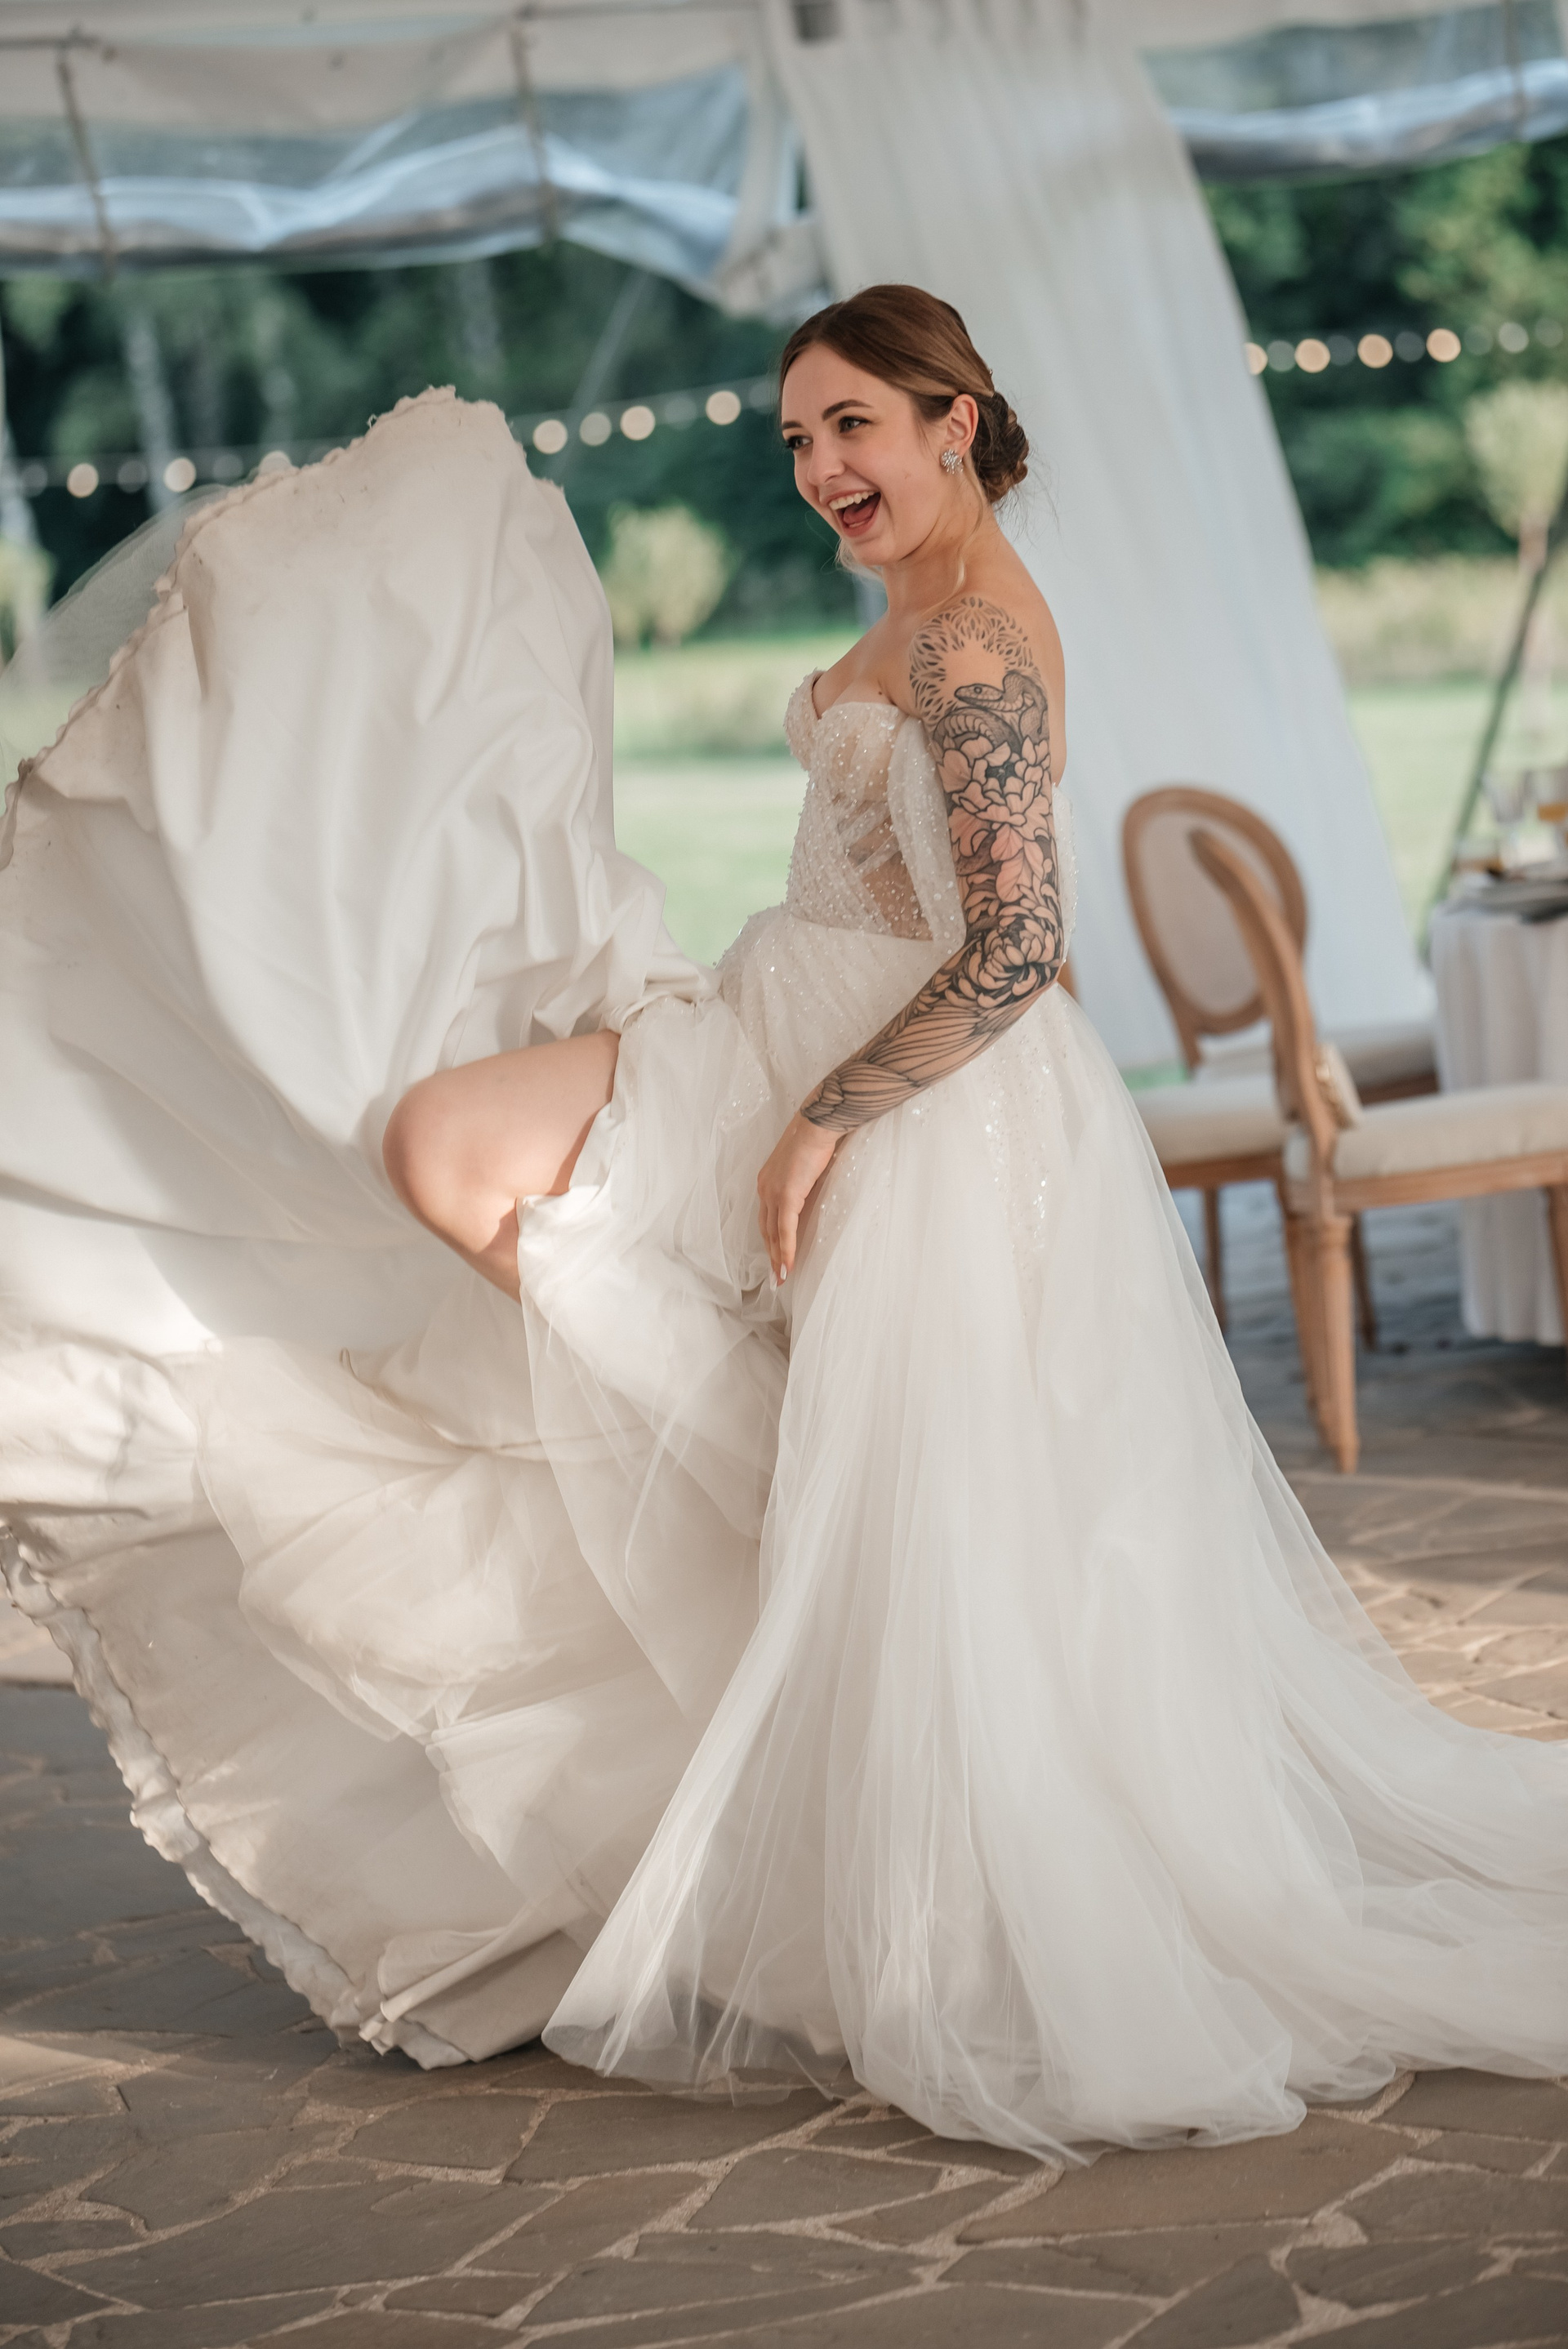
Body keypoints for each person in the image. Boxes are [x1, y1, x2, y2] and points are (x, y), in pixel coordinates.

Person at [1, 287, 1564, 2164]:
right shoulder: (917, 610)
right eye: (800, 438)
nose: (822, 467)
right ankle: (711, 1443)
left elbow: (1019, 950)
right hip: (781, 1037)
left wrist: (829, 1117)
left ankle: (735, 1489)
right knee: (444, 1147)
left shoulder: (972, 638)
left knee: (468, 1163)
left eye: (854, 426)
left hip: (905, 1108)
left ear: (955, 421)